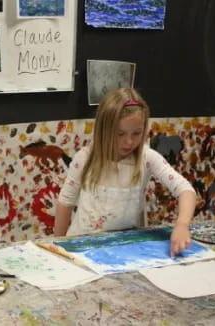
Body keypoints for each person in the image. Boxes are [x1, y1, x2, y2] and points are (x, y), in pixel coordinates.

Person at [54, 88, 196, 257]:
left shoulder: (146, 158)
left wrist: (182, 225)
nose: (129, 141)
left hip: (124, 252)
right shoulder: (84, 159)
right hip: (82, 249)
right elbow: (65, 202)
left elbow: (185, 189)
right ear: (103, 130)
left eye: (136, 133)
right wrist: (57, 246)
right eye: (120, 134)